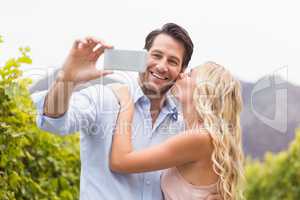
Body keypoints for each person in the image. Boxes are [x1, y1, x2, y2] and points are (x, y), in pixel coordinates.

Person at [32, 23, 222, 200]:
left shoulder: (183, 124)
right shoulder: (105, 99)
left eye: (172, 61)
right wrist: (68, 78)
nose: (162, 66)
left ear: (182, 70)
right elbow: (53, 121)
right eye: (156, 55)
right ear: (143, 56)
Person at [109, 62, 244, 200]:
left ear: (204, 90)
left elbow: (120, 161)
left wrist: (126, 103)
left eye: (190, 74)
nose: (181, 74)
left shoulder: (199, 138)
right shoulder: (203, 137)